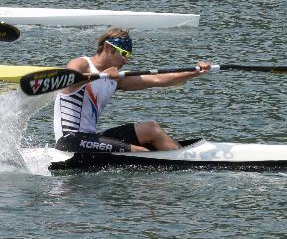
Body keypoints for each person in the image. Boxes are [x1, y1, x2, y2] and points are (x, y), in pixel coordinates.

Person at [53, 28, 211, 153]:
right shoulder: (82, 64)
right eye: (123, 53)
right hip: (70, 140)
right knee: (140, 152)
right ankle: (173, 159)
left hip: (91, 139)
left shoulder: (115, 79)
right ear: (108, 48)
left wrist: (195, 72)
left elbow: (157, 79)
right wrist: (101, 75)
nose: (126, 59)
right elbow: (68, 81)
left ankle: (182, 156)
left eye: (128, 55)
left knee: (151, 128)